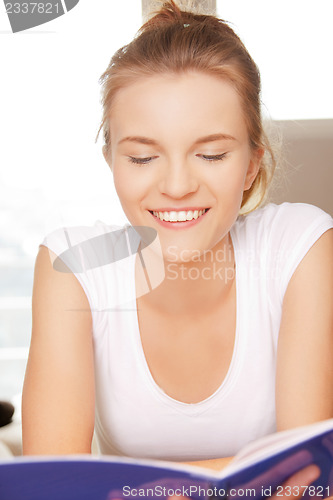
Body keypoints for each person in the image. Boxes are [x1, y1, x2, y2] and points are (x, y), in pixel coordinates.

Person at [22, 0, 333, 494]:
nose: (177, 185)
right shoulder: (72, 266)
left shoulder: (299, 247)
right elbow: (54, 487)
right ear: (112, 160)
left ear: (252, 163)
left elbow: (312, 479)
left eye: (210, 154)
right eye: (143, 158)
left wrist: (132, 489)